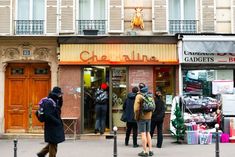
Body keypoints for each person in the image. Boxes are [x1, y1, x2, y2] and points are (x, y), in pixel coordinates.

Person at [37, 86, 65, 157]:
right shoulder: (49, 102)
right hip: (51, 126)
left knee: (53, 142)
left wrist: (60, 98)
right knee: (53, 144)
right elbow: (48, 115)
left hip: (54, 126)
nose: (60, 95)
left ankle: (42, 153)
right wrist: (57, 121)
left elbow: (59, 108)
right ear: (56, 94)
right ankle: (44, 154)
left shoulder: (55, 100)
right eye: (59, 94)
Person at [134, 83, 154, 157]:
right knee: (148, 133)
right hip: (149, 117)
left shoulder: (139, 96)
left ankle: (145, 151)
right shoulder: (150, 95)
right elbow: (153, 107)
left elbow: (136, 108)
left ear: (139, 89)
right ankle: (150, 150)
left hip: (141, 117)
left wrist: (136, 116)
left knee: (143, 134)